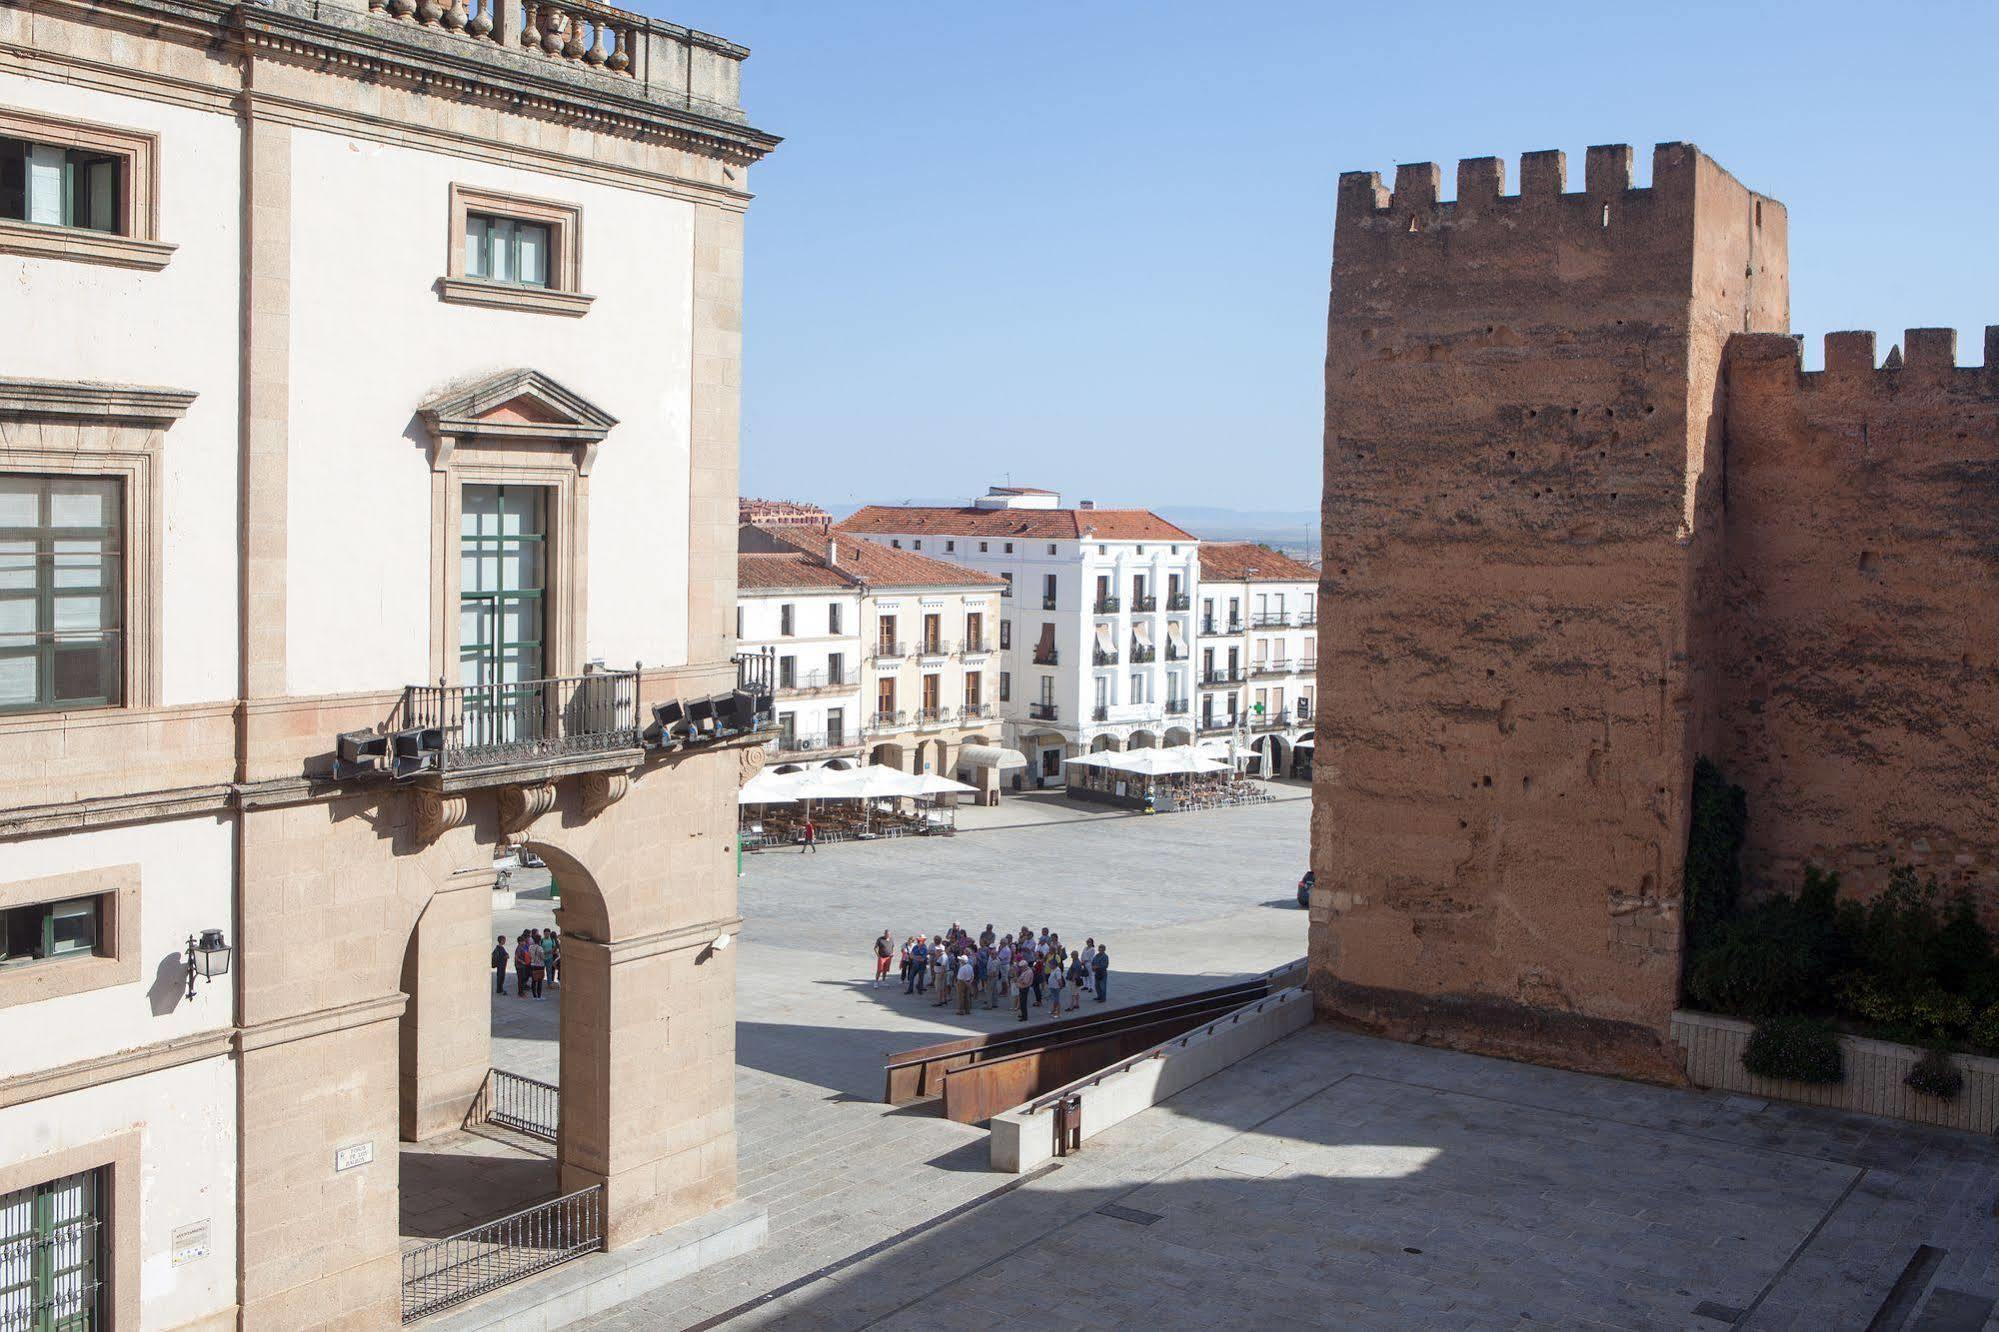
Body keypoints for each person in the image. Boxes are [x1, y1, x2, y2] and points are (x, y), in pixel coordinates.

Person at [1045, 953, 1065, 1019]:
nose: (1049, 965)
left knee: (1057, 1000)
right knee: (1054, 999)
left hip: (1056, 988)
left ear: (1054, 965)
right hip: (1052, 987)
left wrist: (1060, 986)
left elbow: (1059, 980)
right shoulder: (1053, 969)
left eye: (1050, 964)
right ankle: (1053, 1010)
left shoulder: (1057, 971)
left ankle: (1058, 1013)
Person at [527, 930, 546, 999]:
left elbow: (529, 955)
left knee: (534, 980)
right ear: (539, 940)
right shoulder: (540, 948)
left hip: (532, 965)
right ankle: (539, 996)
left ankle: (534, 995)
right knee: (540, 981)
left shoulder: (530, 947)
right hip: (540, 965)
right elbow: (543, 957)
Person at [513, 932, 532, 999]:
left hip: (524, 965)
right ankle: (520, 992)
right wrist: (522, 962)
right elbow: (516, 958)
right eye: (522, 942)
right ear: (519, 942)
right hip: (519, 966)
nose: (524, 943)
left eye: (524, 941)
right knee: (520, 979)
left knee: (525, 976)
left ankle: (523, 987)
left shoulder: (523, 947)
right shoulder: (519, 948)